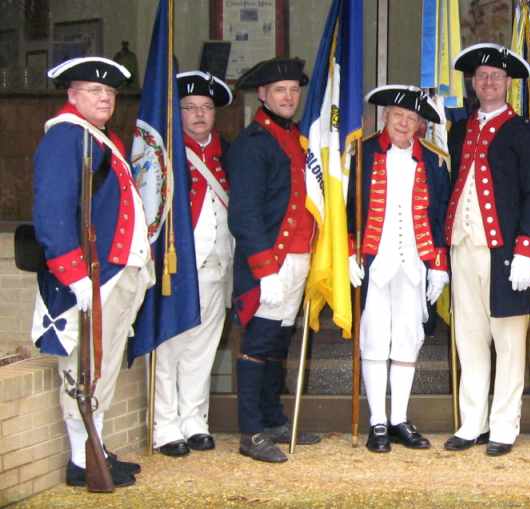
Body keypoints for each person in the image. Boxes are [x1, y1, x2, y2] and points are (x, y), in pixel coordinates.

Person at [33, 57, 154, 487]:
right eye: (92, 91)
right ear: (71, 95)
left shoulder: (100, 138)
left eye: (109, 93)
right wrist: (75, 276)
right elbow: (52, 214)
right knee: (84, 367)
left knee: (99, 367)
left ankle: (95, 448)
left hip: (115, 272)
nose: (104, 98)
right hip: (92, 278)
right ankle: (82, 460)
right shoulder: (66, 138)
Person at [443, 43, 530, 456]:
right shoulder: (458, 129)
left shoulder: (525, 132)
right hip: (461, 245)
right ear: (473, 82)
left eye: (496, 76)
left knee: (508, 341)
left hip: (505, 252)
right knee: (469, 338)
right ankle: (473, 422)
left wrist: (527, 249)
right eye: (482, 76)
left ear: (509, 84)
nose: (488, 82)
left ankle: (504, 425)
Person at [226, 57, 321, 463]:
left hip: (297, 259)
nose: (288, 97)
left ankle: (272, 418)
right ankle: (251, 432)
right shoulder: (252, 144)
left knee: (279, 343)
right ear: (262, 95)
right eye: (280, 90)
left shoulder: (296, 138)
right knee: (258, 344)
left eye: (293, 90)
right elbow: (244, 213)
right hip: (270, 262)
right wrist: (265, 270)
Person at [347, 85, 450, 453]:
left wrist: (438, 264)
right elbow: (348, 209)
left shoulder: (435, 161)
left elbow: (439, 217)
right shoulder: (361, 153)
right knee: (374, 336)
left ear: (420, 124)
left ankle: (398, 419)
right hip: (374, 259)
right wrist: (348, 253)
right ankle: (376, 421)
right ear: (385, 117)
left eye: (412, 119)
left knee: (408, 338)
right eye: (398, 116)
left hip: (415, 260)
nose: (404, 124)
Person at [152, 71, 234, 457]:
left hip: (217, 267)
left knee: (204, 347)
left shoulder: (225, 152)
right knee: (170, 347)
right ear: (177, 112)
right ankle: (165, 425)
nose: (199, 115)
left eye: (206, 107)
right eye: (189, 108)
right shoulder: (164, 155)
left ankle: (194, 420)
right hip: (178, 268)